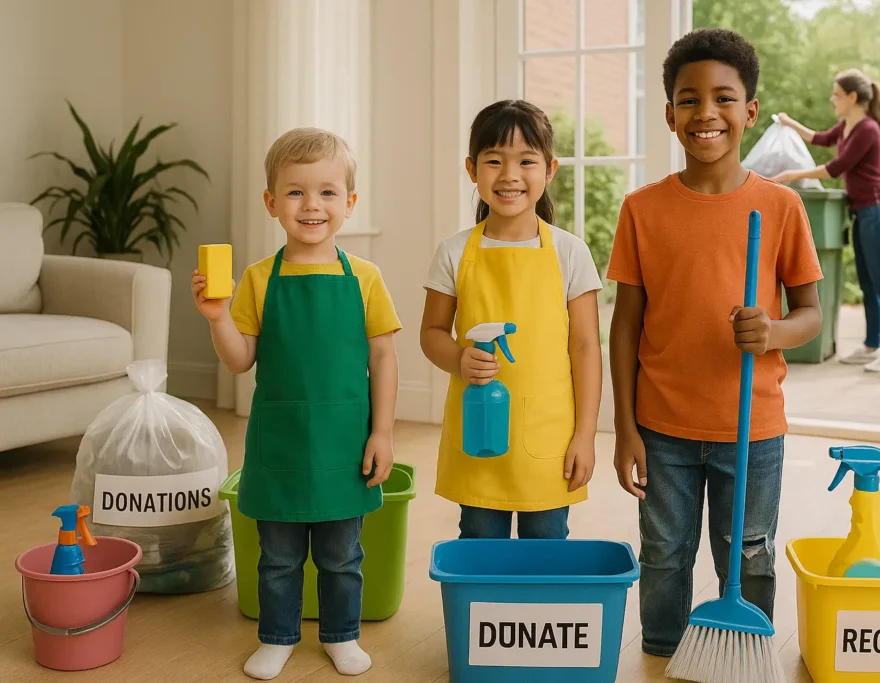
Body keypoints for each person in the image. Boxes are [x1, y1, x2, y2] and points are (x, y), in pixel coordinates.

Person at [606, 28, 824, 657]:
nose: (707, 113)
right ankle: (664, 650)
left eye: (724, 98)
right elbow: (625, 324)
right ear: (670, 113)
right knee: (664, 552)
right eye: (689, 99)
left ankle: (742, 651)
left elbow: (809, 314)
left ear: (750, 111)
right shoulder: (642, 210)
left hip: (752, 428)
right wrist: (624, 428)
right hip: (663, 427)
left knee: (749, 553)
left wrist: (773, 331)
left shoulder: (781, 207)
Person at [191, 128, 401, 680]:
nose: (312, 206)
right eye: (295, 193)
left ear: (349, 204)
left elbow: (383, 360)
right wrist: (217, 317)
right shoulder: (260, 279)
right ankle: (278, 636)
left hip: (345, 443)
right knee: (278, 556)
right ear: (271, 203)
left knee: (342, 556)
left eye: (328, 193)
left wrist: (382, 434)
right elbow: (239, 360)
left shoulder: (367, 279)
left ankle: (341, 635)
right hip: (280, 446)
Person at [420, 99, 603, 540]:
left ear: (549, 170)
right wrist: (458, 358)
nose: (509, 175)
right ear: (472, 169)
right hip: (479, 429)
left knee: (546, 549)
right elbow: (431, 334)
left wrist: (585, 436)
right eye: (494, 161)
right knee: (481, 544)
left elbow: (585, 347)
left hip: (550, 438)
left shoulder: (569, 251)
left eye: (526, 161)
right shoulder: (453, 251)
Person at [772, 69, 880, 372]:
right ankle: (872, 345)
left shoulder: (867, 129)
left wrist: (794, 175)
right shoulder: (847, 125)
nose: (833, 100)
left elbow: (837, 167)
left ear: (852, 97)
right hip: (863, 210)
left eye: (836, 94)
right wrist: (789, 123)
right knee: (868, 283)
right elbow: (820, 138)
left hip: (879, 209)